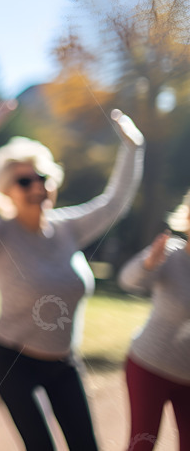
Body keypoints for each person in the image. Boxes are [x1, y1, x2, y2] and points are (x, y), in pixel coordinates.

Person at [0, 100, 144, 451]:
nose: (36, 186)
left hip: (65, 362)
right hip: (15, 363)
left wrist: (134, 148)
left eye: (43, 178)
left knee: (87, 446)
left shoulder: (69, 229)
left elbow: (115, 202)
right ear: (6, 190)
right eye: (24, 180)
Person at [118, 191, 190, 451]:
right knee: (142, 444)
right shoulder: (170, 253)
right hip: (150, 366)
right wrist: (148, 264)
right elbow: (128, 280)